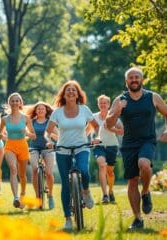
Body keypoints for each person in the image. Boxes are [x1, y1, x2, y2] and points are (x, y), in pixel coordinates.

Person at [106, 67, 167, 230]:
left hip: (147, 140)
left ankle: (146, 192)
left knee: (144, 164)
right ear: (126, 82)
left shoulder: (153, 97)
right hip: (128, 144)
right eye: (131, 78)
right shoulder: (120, 99)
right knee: (132, 181)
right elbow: (108, 124)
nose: (134, 80)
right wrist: (117, 110)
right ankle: (138, 218)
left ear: (142, 80)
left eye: (137, 77)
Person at [46, 80, 100, 230]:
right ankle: (68, 219)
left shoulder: (84, 110)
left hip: (82, 147)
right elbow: (48, 131)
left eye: (74, 90)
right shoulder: (57, 112)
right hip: (63, 150)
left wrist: (95, 136)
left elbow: (96, 126)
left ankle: (86, 191)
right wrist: (50, 141)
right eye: (68, 90)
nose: (71, 92)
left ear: (78, 94)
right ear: (63, 94)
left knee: (84, 170)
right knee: (65, 184)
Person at [0, 92, 36, 208]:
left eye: (16, 101)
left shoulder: (26, 118)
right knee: (13, 169)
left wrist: (27, 133)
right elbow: (0, 132)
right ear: (9, 103)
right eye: (12, 101)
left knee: (22, 174)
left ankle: (23, 194)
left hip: (23, 146)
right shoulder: (5, 119)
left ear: (20, 103)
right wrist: (0, 136)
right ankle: (16, 198)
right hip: (10, 146)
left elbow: (34, 135)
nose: (14, 103)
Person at [92, 94, 123, 204]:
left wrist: (111, 129)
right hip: (98, 146)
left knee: (110, 172)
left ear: (109, 104)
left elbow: (122, 131)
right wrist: (88, 139)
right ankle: (105, 195)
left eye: (105, 103)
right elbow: (87, 130)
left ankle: (110, 191)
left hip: (112, 146)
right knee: (102, 165)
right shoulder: (94, 117)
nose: (103, 105)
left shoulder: (113, 116)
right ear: (98, 105)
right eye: (101, 103)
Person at [26, 101, 57, 209]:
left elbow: (57, 135)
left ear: (46, 111)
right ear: (35, 111)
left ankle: (51, 195)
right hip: (34, 148)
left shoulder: (49, 122)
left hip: (47, 149)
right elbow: (28, 135)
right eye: (38, 109)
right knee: (34, 169)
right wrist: (26, 135)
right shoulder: (32, 122)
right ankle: (37, 197)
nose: (40, 110)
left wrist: (53, 141)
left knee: (48, 173)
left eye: (42, 109)